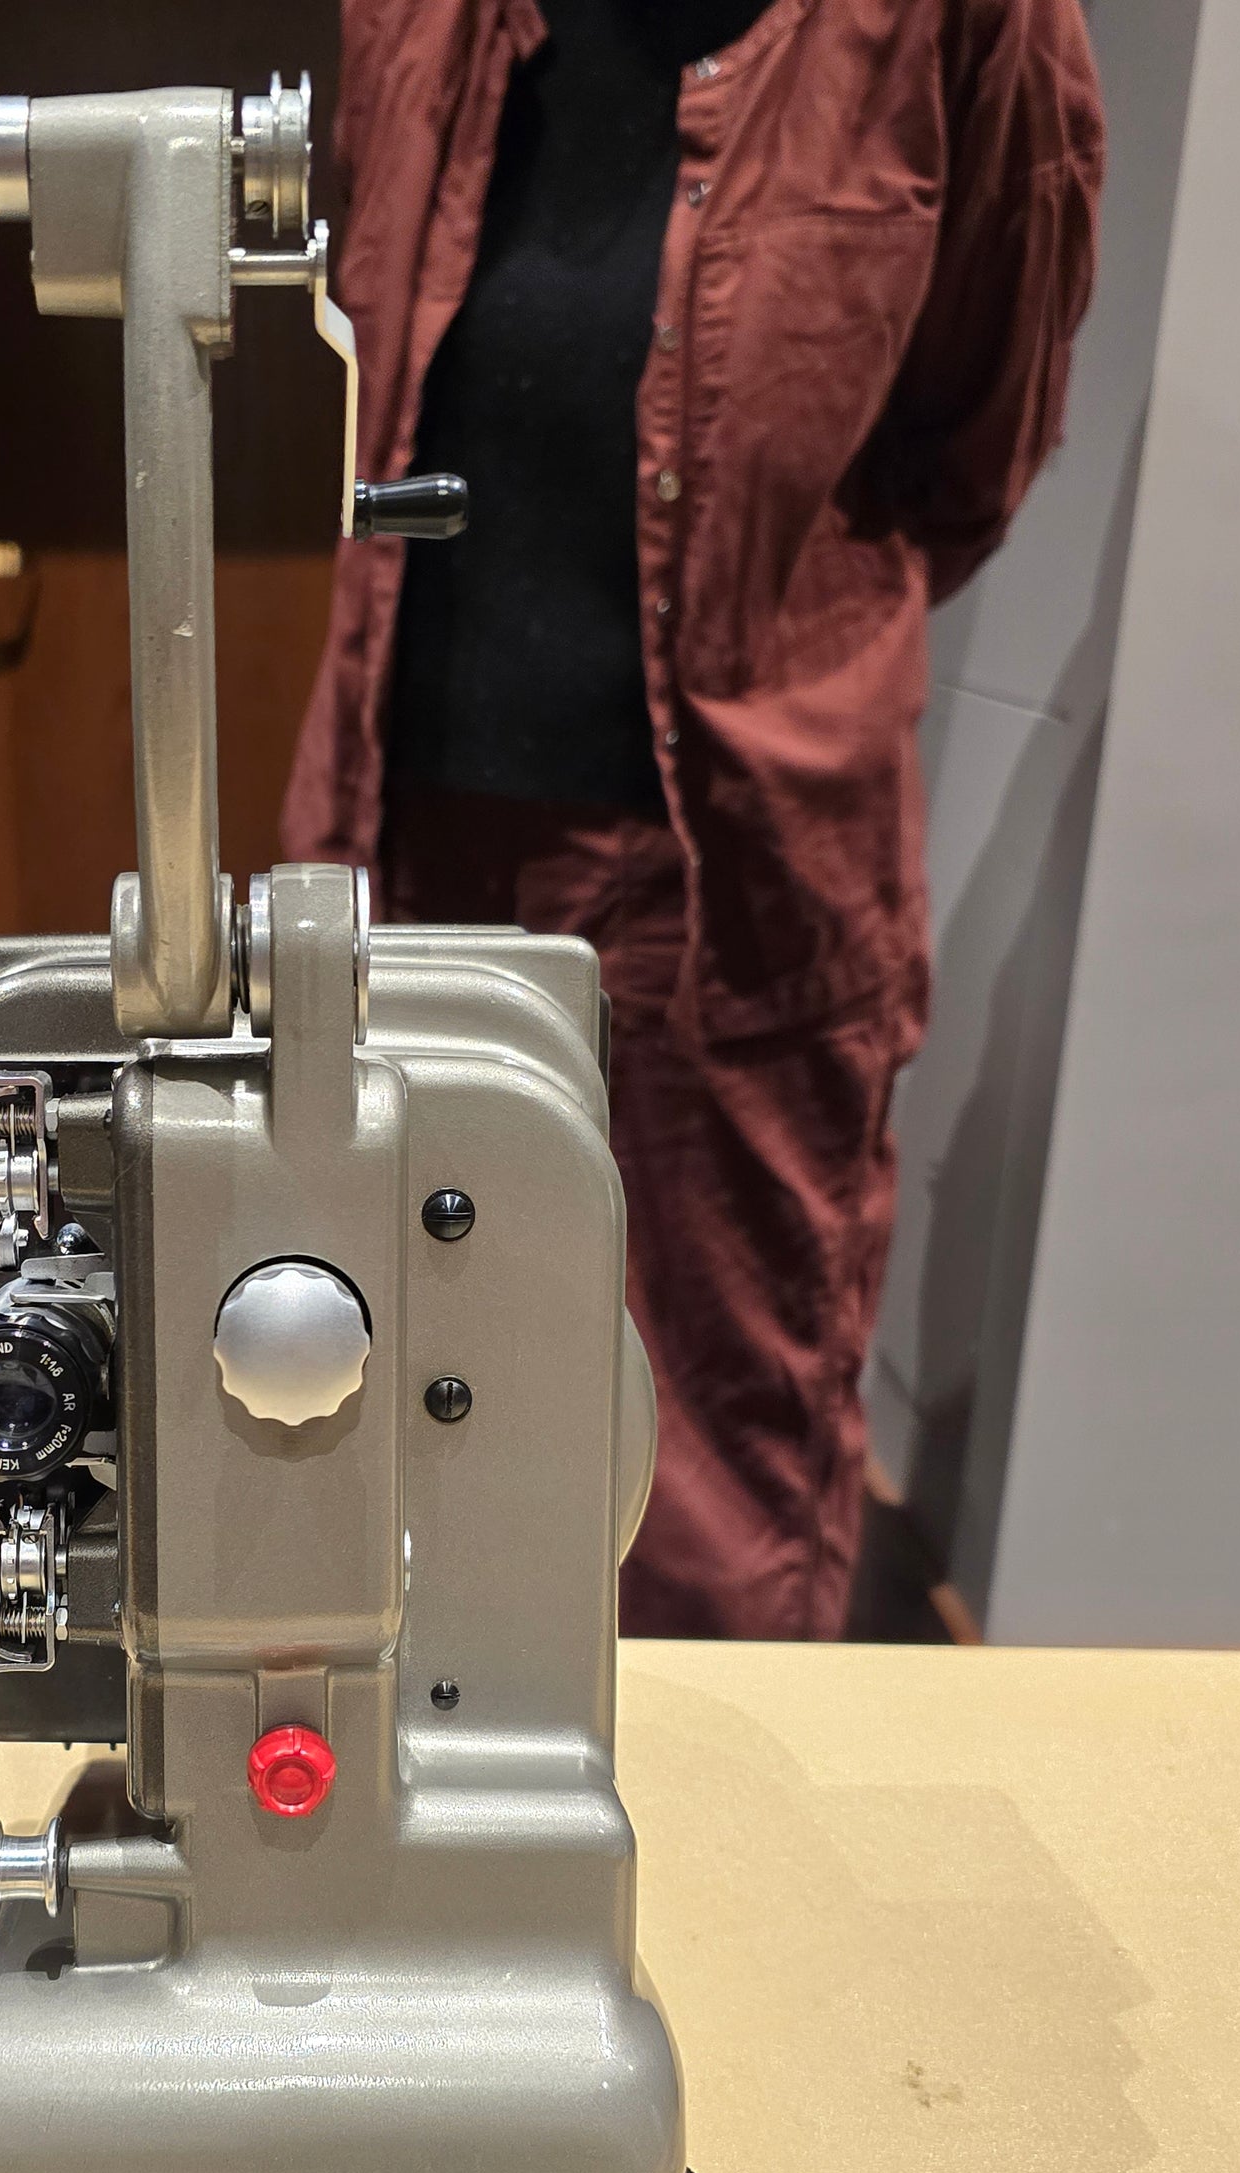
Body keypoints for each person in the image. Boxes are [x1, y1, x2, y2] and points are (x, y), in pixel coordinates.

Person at [284, 0, 1105, 1638]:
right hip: (403, 846)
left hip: (730, 877)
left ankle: (721, 1812)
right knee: (375, 1430)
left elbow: (974, 448)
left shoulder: (954, 25)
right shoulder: (422, 18)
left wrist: (764, 632)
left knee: (715, 1493)